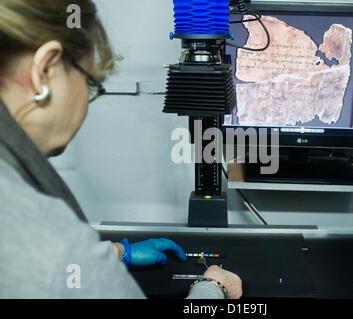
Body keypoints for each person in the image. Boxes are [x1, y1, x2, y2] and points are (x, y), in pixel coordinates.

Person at [0, 0, 242, 299]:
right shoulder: (55, 240)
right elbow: (47, 257)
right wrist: (213, 288)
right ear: (44, 71)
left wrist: (114, 253)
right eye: (91, 82)